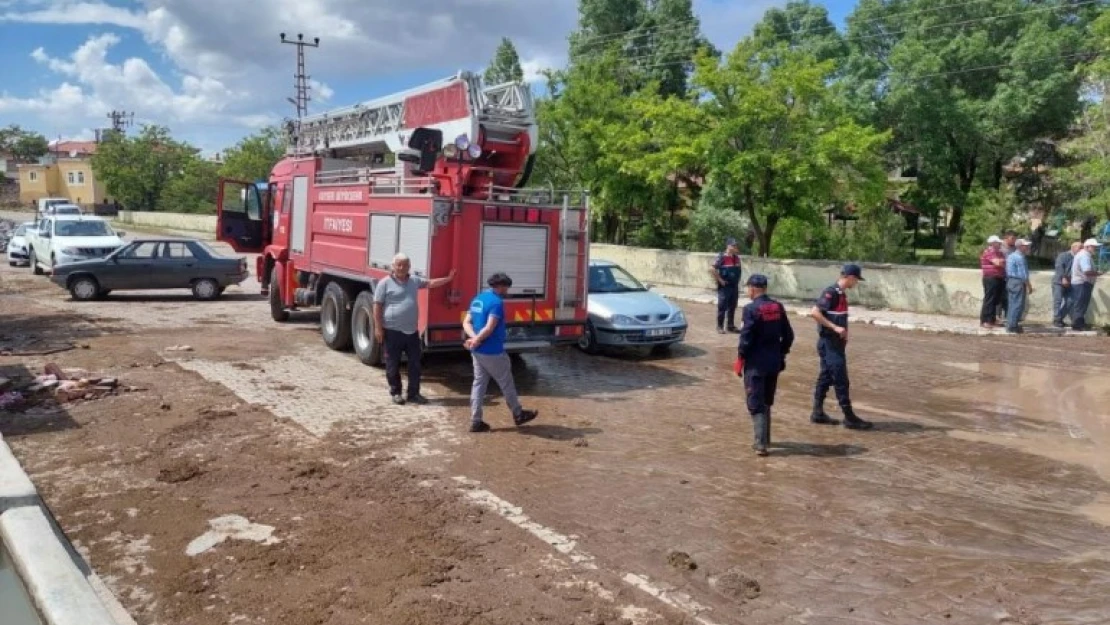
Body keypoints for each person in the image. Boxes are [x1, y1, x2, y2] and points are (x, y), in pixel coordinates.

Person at [372, 253, 456, 405]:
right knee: (392, 364)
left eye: (405, 265)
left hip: (412, 332)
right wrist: (378, 328)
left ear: (409, 267)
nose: (402, 267)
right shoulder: (384, 283)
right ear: (393, 266)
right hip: (392, 331)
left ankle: (413, 394)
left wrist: (448, 279)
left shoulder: (414, 281)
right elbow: (377, 306)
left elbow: (430, 283)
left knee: (415, 364)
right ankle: (396, 392)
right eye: (399, 265)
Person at [463, 272, 539, 433]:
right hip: (493, 351)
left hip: (476, 351)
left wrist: (474, 339)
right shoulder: (496, 303)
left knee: (479, 384)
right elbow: (490, 328)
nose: (507, 291)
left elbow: (466, 322)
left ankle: (476, 421)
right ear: (501, 286)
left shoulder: (478, 299)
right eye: (506, 287)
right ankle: (518, 414)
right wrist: (477, 339)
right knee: (506, 383)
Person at [810, 264, 873, 430]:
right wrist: (834, 327)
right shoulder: (832, 292)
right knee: (840, 379)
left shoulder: (841, 294)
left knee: (826, 377)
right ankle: (849, 417)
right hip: (829, 343)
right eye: (856, 279)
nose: (856, 283)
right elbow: (815, 312)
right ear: (850, 277)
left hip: (835, 343)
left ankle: (817, 413)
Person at [736, 274, 794, 456]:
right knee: (767, 400)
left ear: (752, 289)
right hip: (774, 363)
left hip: (755, 364)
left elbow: (746, 338)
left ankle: (760, 444)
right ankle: (766, 439)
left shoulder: (751, 309)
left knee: (755, 402)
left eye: (748, 289)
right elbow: (789, 335)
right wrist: (781, 353)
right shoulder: (778, 307)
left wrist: (740, 358)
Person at [710, 237, 742, 334]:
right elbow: (711, 269)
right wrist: (720, 280)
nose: (735, 247)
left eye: (736, 245)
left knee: (732, 306)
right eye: (733, 245)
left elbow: (739, 270)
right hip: (725, 287)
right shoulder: (721, 257)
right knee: (722, 306)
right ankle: (720, 326)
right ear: (728, 246)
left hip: (734, 286)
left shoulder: (736, 258)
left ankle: (730, 326)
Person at [1070, 238, 1103, 331]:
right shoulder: (1085, 256)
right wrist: (1097, 273)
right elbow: (1087, 271)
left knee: (1080, 304)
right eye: (1093, 247)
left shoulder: (1083, 255)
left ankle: (1078, 323)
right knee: (1081, 304)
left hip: (1080, 283)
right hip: (1082, 283)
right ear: (1087, 247)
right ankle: (1078, 324)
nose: (1095, 248)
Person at [1004, 239, 1032, 334]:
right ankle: (1012, 325)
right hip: (1018, 281)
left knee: (1012, 303)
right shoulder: (1019, 258)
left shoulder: (1011, 256)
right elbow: (1023, 274)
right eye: (1025, 246)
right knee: (1017, 304)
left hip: (1011, 281)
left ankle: (1010, 324)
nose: (1027, 247)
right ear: (1020, 246)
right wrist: (1029, 285)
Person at [1052, 242, 1081, 328]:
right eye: (1080, 248)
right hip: (1059, 282)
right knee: (1058, 301)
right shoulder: (1063, 255)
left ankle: (1059, 317)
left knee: (1070, 301)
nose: (1081, 250)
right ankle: (1057, 319)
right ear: (1073, 247)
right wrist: (1063, 278)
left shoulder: (1078, 257)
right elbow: (1059, 267)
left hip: (1071, 282)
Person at [979, 235, 1006, 329]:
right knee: (989, 299)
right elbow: (998, 263)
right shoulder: (988, 252)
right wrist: (1001, 262)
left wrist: (1001, 261)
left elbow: (1003, 262)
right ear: (993, 243)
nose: (1000, 244)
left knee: (995, 300)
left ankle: (992, 319)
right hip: (990, 278)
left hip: (999, 277)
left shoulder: (1000, 253)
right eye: (998, 243)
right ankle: (985, 320)